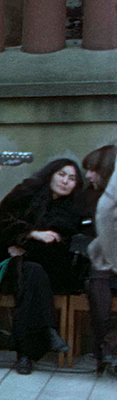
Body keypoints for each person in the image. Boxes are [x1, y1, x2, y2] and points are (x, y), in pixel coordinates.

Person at [0, 159, 89, 374]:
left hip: (50, 269)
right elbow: (2, 224)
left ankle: (25, 353)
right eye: (62, 174)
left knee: (33, 270)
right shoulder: (25, 192)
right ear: (51, 174)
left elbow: (65, 242)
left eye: (72, 178)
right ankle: (45, 331)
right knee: (32, 271)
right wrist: (32, 234)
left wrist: (25, 246)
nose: (65, 181)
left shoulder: (74, 208)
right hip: (7, 265)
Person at [84, 145, 117, 371]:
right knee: (98, 278)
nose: (88, 175)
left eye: (93, 169)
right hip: (101, 265)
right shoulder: (89, 195)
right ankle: (103, 346)